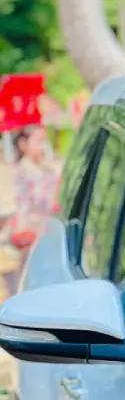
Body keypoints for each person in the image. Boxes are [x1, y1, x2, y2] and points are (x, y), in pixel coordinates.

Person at [2, 124, 60, 299]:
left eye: (44, 141)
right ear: (23, 144)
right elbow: (14, 209)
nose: (43, 146)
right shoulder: (16, 173)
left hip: (47, 241)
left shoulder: (49, 171)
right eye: (38, 141)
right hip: (23, 244)